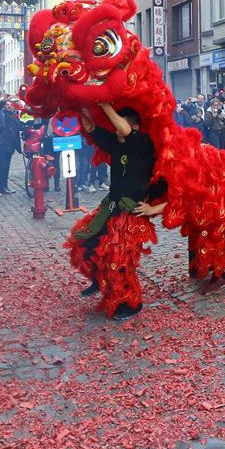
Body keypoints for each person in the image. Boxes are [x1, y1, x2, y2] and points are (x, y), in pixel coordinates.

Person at [76, 105, 168, 320]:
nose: (117, 127)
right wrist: (82, 110)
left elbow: (178, 193)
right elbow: (94, 129)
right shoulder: (117, 144)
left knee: (120, 259)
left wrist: (103, 104)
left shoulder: (144, 144)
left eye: (122, 122)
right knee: (85, 243)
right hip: (112, 205)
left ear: (135, 127)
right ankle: (100, 280)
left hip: (132, 213)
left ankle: (131, 303)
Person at [0, 101, 21, 195]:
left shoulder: (13, 116)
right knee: (2, 166)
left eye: (11, 105)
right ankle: (2, 186)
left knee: (6, 167)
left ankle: (5, 186)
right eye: (7, 105)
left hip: (10, 144)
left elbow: (17, 128)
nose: (9, 106)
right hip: (3, 144)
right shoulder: (2, 115)